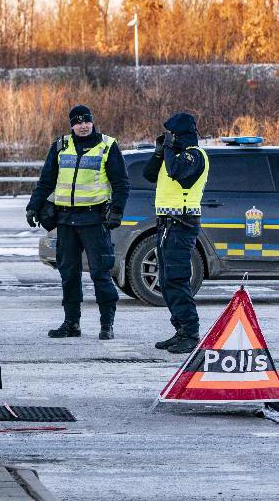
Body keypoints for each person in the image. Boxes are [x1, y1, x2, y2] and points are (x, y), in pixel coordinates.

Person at [27, 105, 129, 340]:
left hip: (94, 220)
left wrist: (117, 212)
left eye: (87, 121)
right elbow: (46, 181)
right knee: (69, 275)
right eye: (78, 122)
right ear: (71, 125)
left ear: (92, 122)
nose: (83, 126)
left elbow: (122, 184)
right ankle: (71, 324)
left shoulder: (107, 146)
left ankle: (107, 325)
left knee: (100, 274)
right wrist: (33, 205)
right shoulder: (61, 145)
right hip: (66, 221)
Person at [143, 112, 209, 355]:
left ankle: (191, 333)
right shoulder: (173, 155)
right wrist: (159, 151)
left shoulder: (195, 156)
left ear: (181, 134)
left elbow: (175, 172)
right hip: (166, 224)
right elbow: (150, 174)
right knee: (167, 280)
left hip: (182, 223)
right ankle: (180, 329)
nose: (169, 138)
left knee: (178, 279)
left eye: (172, 134)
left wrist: (170, 150)